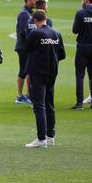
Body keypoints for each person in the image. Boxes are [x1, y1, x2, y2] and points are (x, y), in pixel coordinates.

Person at [25, 10, 65, 148]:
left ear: (35, 20)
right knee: (49, 104)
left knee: (39, 105)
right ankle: (50, 136)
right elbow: (62, 54)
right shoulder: (56, 33)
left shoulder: (35, 33)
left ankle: (41, 139)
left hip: (38, 73)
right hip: (52, 72)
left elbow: (27, 48)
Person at [15, 0, 38, 104]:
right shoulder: (24, 14)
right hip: (23, 47)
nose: (36, 2)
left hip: (27, 46)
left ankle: (29, 95)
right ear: (28, 0)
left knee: (29, 70)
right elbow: (23, 32)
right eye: (34, 0)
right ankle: (19, 96)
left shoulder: (29, 13)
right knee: (23, 70)